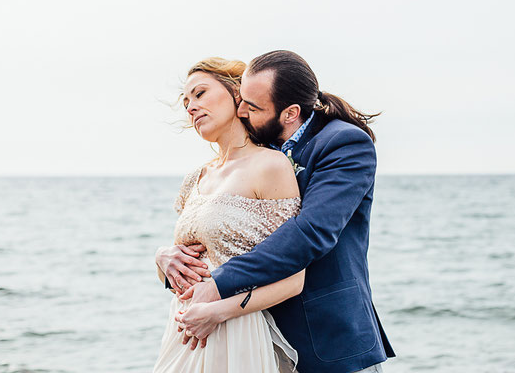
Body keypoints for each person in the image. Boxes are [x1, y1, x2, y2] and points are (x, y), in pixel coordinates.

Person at [158, 50, 396, 373]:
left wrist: (219, 285)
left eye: (251, 106)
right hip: (253, 337)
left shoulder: (344, 145)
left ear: (289, 113)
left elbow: (310, 233)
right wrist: (164, 258)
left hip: (328, 337)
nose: (242, 109)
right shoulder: (258, 147)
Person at [153, 57, 305, 372]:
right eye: (186, 102)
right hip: (184, 329)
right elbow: (187, 267)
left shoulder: (271, 166)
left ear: (237, 94)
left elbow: (294, 280)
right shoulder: (195, 178)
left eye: (200, 93)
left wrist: (218, 312)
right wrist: (162, 260)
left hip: (235, 331)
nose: (191, 107)